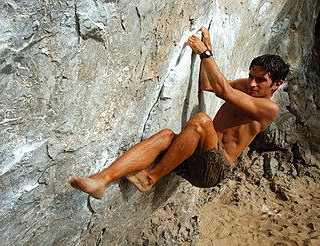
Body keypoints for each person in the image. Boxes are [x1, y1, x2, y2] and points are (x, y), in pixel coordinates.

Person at [70, 27, 290, 199]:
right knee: (166, 135)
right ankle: (101, 180)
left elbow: (222, 90)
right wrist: (207, 48)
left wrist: (206, 53)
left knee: (202, 120)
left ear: (276, 84)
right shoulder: (246, 85)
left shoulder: (269, 109)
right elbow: (208, 85)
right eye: (251, 76)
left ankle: (150, 177)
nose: (252, 83)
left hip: (214, 169)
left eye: (261, 80)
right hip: (195, 155)